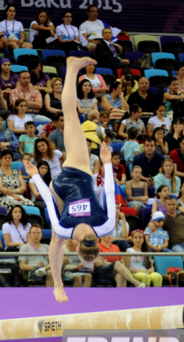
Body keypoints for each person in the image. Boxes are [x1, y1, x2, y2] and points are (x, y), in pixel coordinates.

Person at [24, 57, 118, 302]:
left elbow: (110, 193)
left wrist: (107, 163)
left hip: (78, 171)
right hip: (59, 187)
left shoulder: (105, 228)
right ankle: (57, 285)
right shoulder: (64, 230)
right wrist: (35, 177)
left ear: (96, 243)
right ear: (76, 248)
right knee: (56, 240)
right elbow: (45, 198)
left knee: (70, 114)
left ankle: (73, 67)